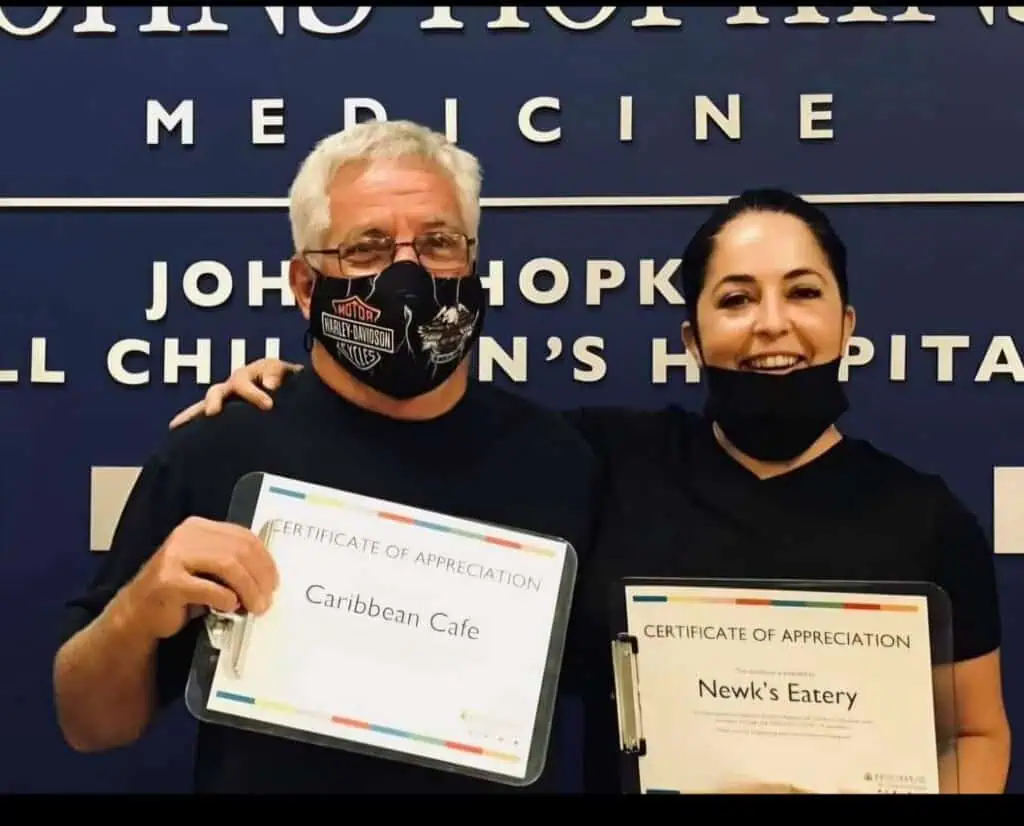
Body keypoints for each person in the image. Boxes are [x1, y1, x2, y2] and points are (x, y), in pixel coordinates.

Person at [177, 188, 1012, 793]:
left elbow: (976, 731)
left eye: (803, 293)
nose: (770, 324)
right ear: (693, 336)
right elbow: (430, 420)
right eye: (735, 299)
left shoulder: (925, 515)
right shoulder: (607, 456)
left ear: (847, 325)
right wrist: (303, 388)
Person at [53, 120, 602, 794]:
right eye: (368, 249)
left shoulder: (558, 458)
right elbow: (87, 724)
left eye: (437, 243)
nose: (409, 275)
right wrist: (141, 605)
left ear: (472, 259)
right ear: (307, 286)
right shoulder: (221, 446)